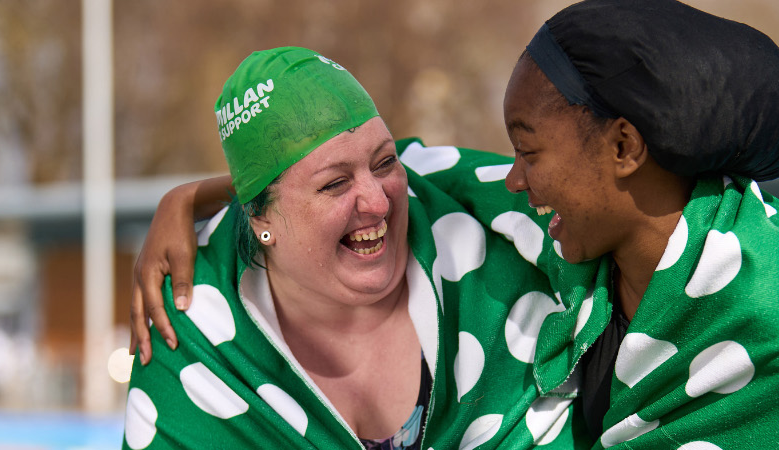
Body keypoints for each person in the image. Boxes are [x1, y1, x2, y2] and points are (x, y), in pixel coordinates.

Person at [134, 1, 779, 448]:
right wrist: (197, 197)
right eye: (335, 183)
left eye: (527, 151)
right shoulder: (570, 234)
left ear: (623, 146)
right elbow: (319, 174)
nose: (511, 178)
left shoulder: (768, 302)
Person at [122, 47, 594, 450]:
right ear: (261, 220)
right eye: (335, 184)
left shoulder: (498, 245)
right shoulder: (196, 342)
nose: (377, 201)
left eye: (384, 162)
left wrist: (188, 195)